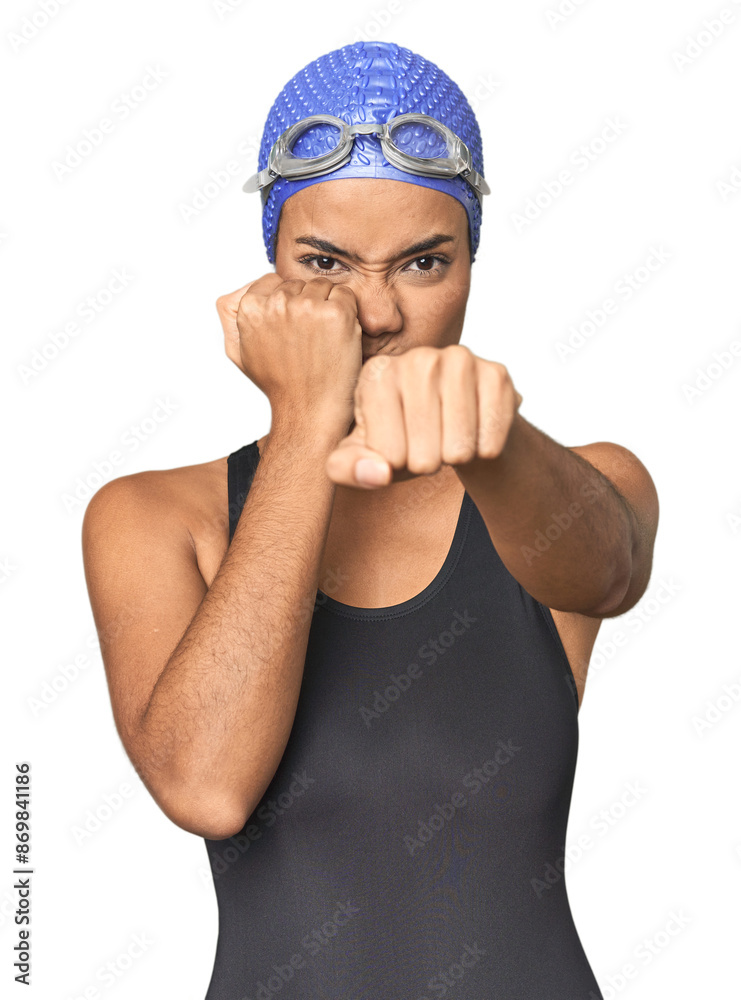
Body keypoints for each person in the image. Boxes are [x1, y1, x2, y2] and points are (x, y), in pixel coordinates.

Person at [81, 40, 659, 999]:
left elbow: (605, 571)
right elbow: (206, 787)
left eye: (424, 261)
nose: (379, 310)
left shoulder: (570, 482)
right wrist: (306, 423)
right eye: (326, 264)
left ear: (472, 262)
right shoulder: (151, 515)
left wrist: (491, 438)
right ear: (269, 268)